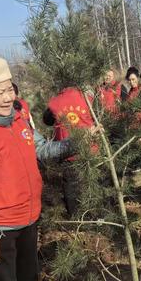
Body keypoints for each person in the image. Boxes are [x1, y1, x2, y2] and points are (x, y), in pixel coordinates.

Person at [0, 57, 73, 281]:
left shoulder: (21, 117)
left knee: (27, 280)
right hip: (0, 227)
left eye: (8, 88)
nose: (5, 96)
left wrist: (74, 144)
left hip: (29, 217)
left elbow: (41, 150)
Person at [43, 81, 96, 216]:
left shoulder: (55, 101)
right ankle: (95, 213)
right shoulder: (88, 96)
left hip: (67, 150)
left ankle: (76, 216)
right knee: (92, 182)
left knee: (71, 184)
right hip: (90, 147)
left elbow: (47, 120)